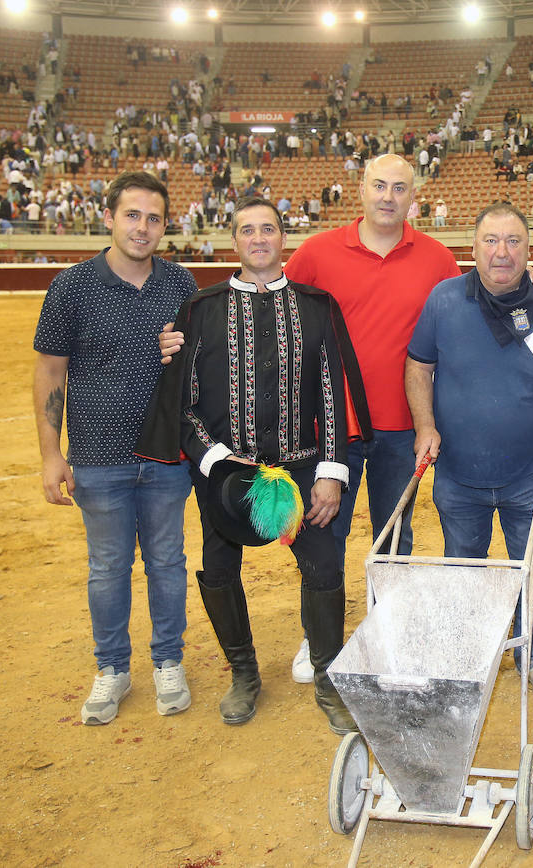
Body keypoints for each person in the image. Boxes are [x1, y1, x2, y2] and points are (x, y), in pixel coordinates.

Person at [160, 154, 460, 684]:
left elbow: (466, 308)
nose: (388, 196)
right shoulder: (318, 252)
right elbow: (270, 305)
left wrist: (530, 277)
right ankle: (318, 639)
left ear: (414, 195)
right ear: (360, 190)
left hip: (402, 427)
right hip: (330, 433)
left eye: (399, 188)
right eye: (378, 185)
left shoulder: (436, 257)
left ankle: (384, 636)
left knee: (396, 537)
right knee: (327, 537)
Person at [136, 197, 372, 734]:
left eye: (269, 229)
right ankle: (243, 675)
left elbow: (332, 395)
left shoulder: (316, 306)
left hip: (302, 469)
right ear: (234, 242)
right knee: (219, 570)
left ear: (283, 239)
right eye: (248, 230)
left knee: (324, 570)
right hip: (224, 475)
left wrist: (332, 471)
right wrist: (216, 460)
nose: (259, 238)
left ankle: (328, 678)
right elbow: (184, 401)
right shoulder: (201, 307)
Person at [405, 203, 533, 704]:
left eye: (512, 241)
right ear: (474, 248)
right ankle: (468, 656)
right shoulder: (443, 300)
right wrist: (425, 425)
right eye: (491, 241)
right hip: (459, 473)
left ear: (529, 250)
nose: (501, 252)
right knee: (463, 564)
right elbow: (418, 367)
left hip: (531, 471)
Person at [33, 171, 197, 726]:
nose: (142, 227)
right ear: (108, 217)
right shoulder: (71, 286)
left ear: (165, 226)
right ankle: (112, 668)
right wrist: (52, 453)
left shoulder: (181, 284)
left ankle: (168, 661)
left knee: (167, 562)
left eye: (153, 218)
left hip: (166, 457)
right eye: (132, 215)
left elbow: (202, 369)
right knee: (107, 567)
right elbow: (51, 371)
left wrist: (183, 350)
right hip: (97, 456)